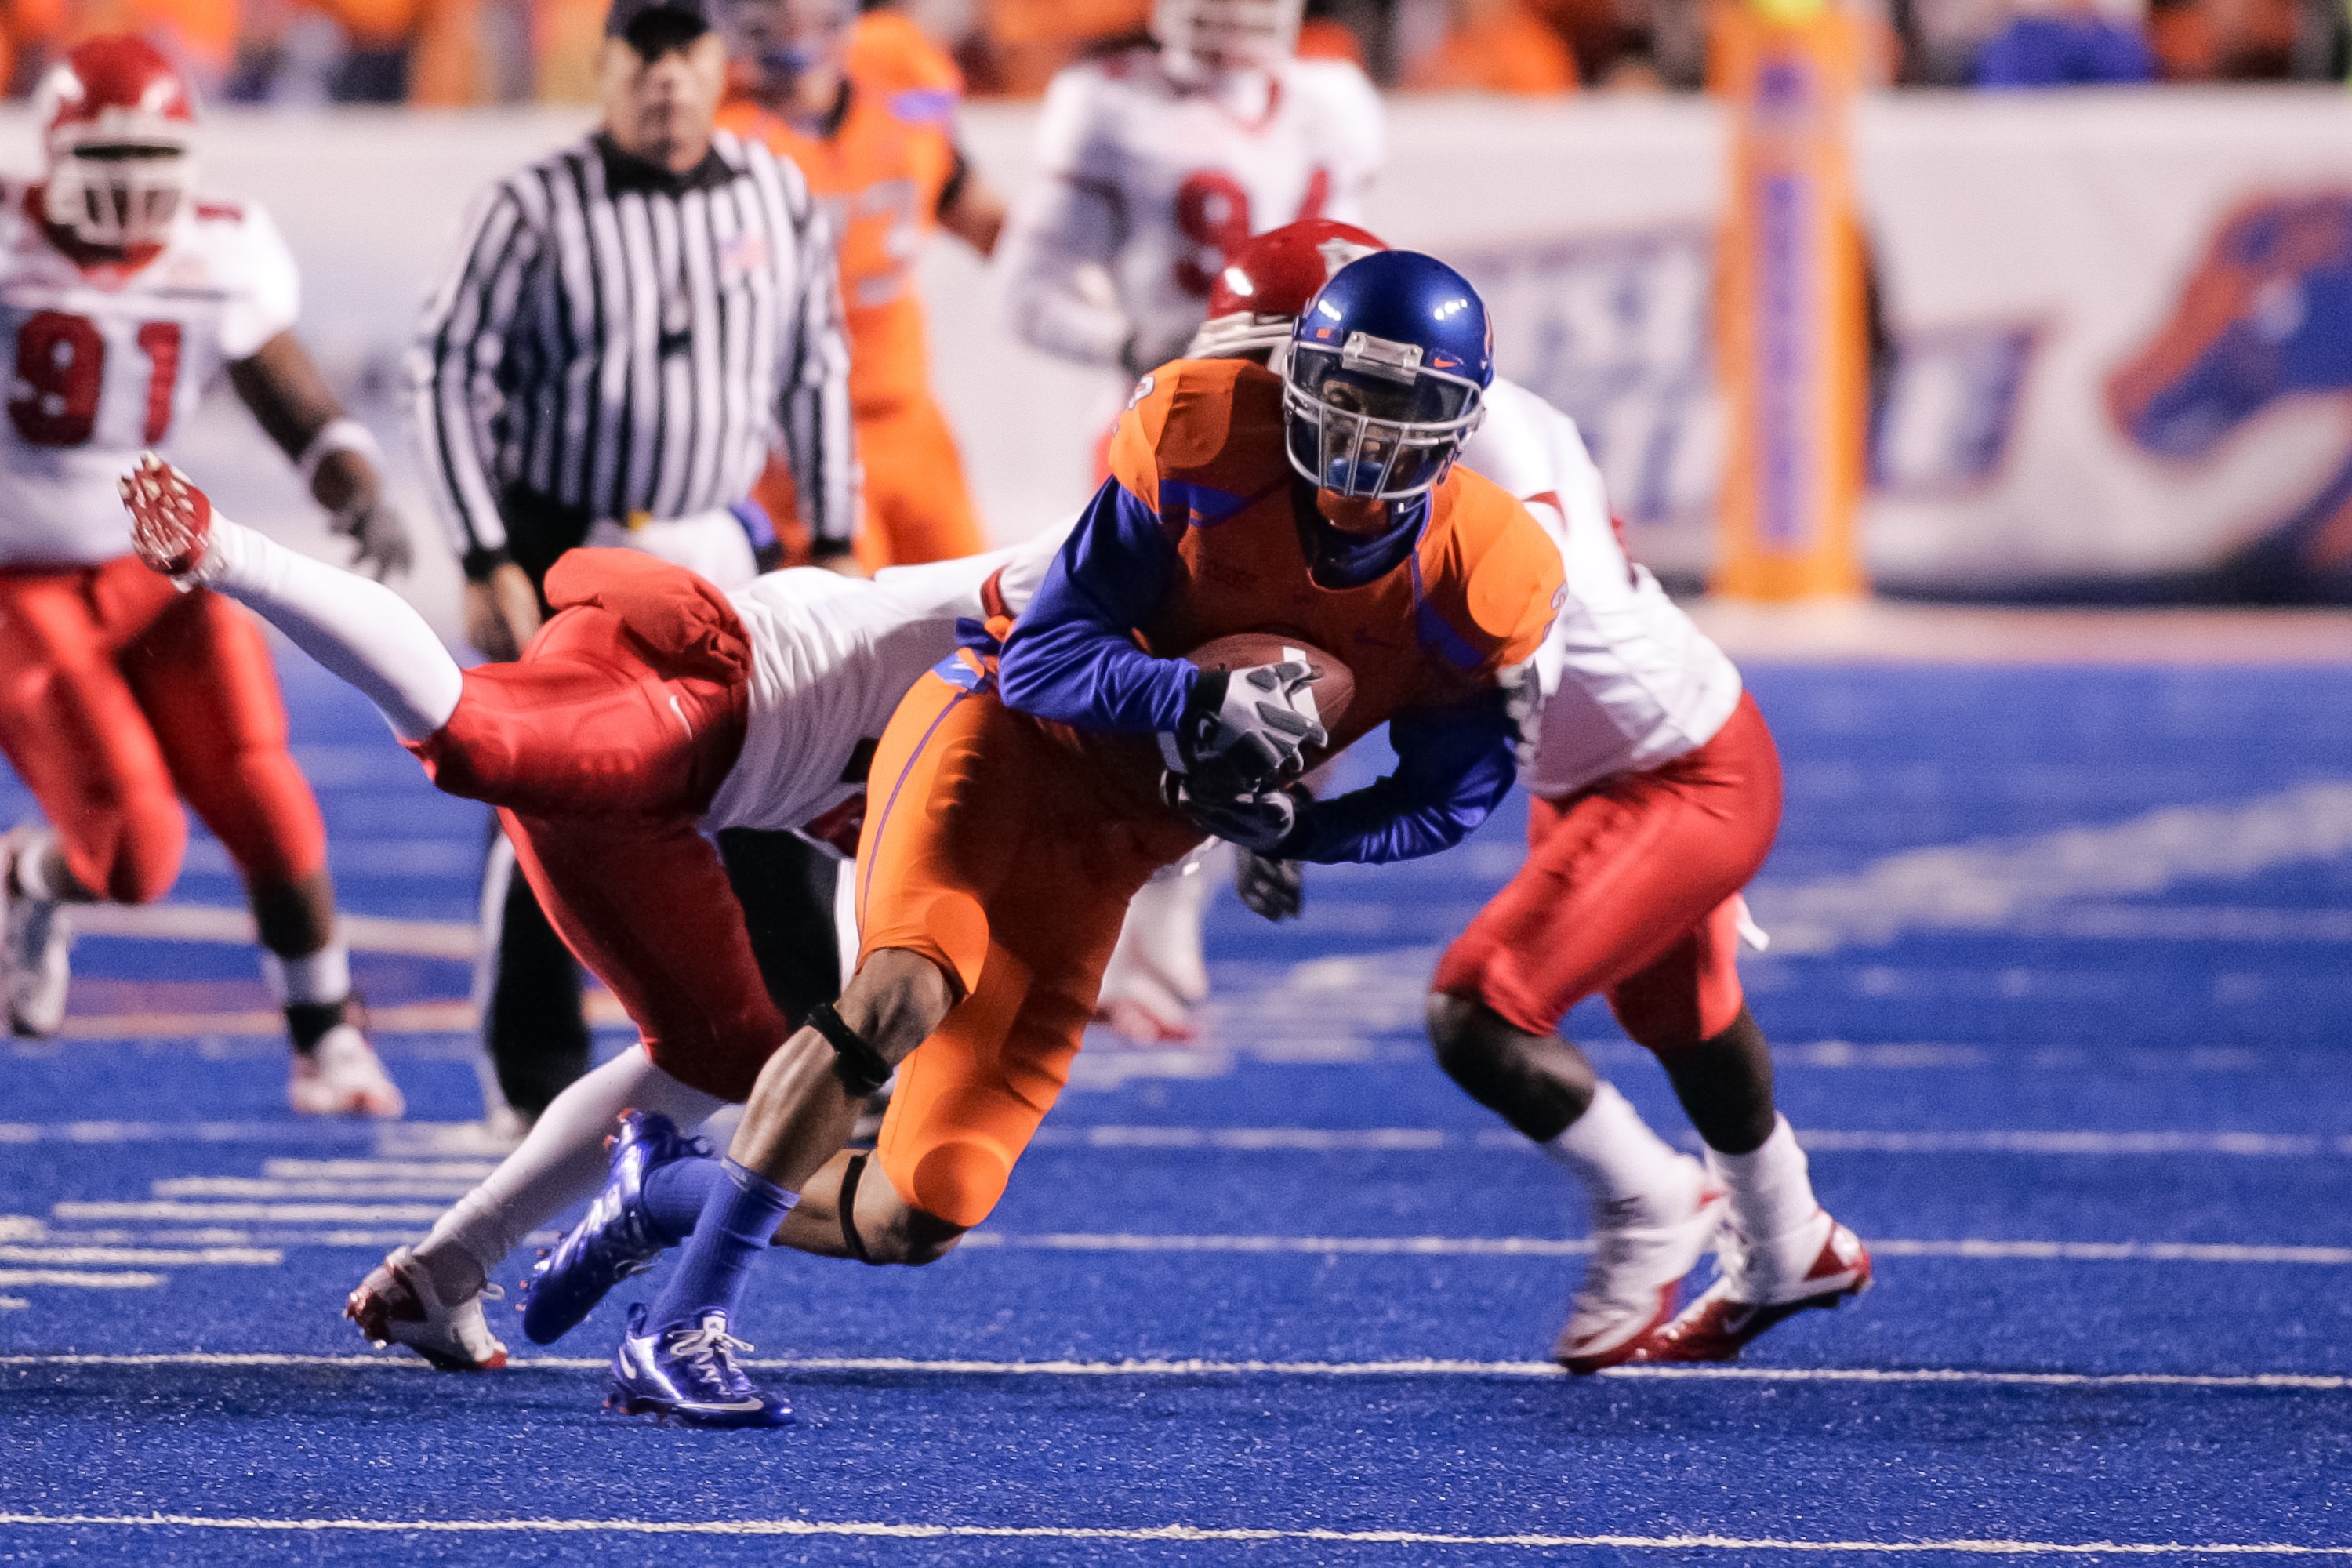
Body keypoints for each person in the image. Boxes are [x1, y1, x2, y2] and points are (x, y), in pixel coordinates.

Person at [522, 250, 1566, 1428]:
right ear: (1297, 375)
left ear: (1460, 424)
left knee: (923, 1208)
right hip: (1005, 748)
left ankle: (664, 1193)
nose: (1370, 436)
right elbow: (1044, 658)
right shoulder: (1210, 444)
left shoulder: (1483, 574)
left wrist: (1306, 827)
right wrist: (1190, 700)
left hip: (1118, 848)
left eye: (1405, 407)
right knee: (905, 989)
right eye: (1350, 393)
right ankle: (676, 1332)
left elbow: (1457, 792)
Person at [115, 451, 1062, 1374]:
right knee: (473, 737)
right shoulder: (1076, 597)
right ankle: (233, 553)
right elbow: (1100, 559)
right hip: (689, 690)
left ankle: (443, 1271)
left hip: (680, 800)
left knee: (721, 1049)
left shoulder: (1061, 768)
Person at [1138, 220, 1871, 1369]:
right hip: (1606, 762)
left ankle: (1652, 1200)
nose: (1244, 396)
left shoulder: (1484, 464)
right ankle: (1791, 1242)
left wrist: (1302, 784)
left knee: (1482, 1008)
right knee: (1679, 1011)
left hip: (1679, 766)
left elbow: (1462, 668)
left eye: (1260, 366)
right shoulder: (1378, 434)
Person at [414, 0, 857, 1131]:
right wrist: (482, 549)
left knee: (782, 775)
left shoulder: (777, 192)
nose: (665, 84)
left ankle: (812, 1050)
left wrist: (839, 535)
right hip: (576, 541)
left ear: (719, 66)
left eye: (684, 58)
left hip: (721, 534)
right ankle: (533, 1067)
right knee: (546, 797)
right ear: (605, 69)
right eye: (642, 60)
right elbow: (447, 371)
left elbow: (816, 368)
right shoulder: (532, 204)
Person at [0, 37, 412, 1116]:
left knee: (261, 779)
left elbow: (283, 385)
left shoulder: (222, 245)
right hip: (21, 583)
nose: (135, 180)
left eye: (153, 151)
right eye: (110, 151)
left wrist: (348, 473)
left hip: (155, 568)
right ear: (53, 150)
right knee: (136, 855)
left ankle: (327, 1037)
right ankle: (31, 876)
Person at [996, 0, 1385, 1044]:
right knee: (1161, 685)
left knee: (1302, 678)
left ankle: (1172, 920)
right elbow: (1025, 288)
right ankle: (1114, 930)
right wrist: (1141, 339)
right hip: (1168, 435)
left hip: (1313, 443)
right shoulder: (1108, 105)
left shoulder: (1333, 98)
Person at [719, 0, 1009, 570]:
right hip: (790, 439)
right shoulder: (709, 125)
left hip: (908, 416)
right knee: (847, 635)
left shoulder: (895, 66)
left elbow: (979, 215)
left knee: (984, 620)